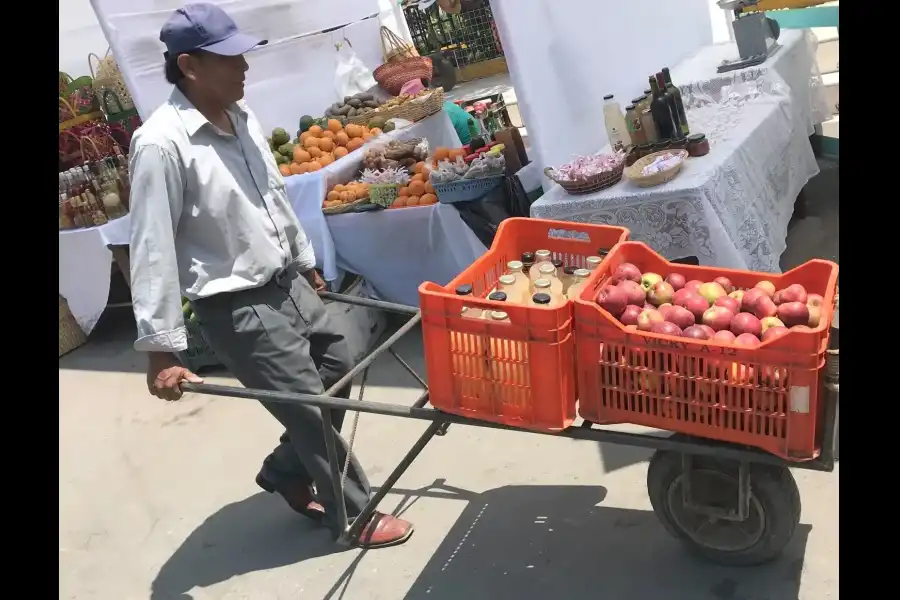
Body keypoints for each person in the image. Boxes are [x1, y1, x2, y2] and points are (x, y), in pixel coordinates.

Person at [128, 2, 413, 549]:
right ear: (189, 66)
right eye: (230, 58)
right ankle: (353, 513)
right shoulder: (161, 144)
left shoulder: (241, 117)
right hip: (235, 302)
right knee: (309, 405)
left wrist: (306, 261)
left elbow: (273, 195)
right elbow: (151, 248)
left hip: (286, 281)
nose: (244, 66)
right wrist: (161, 350)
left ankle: (286, 470)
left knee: (340, 366)